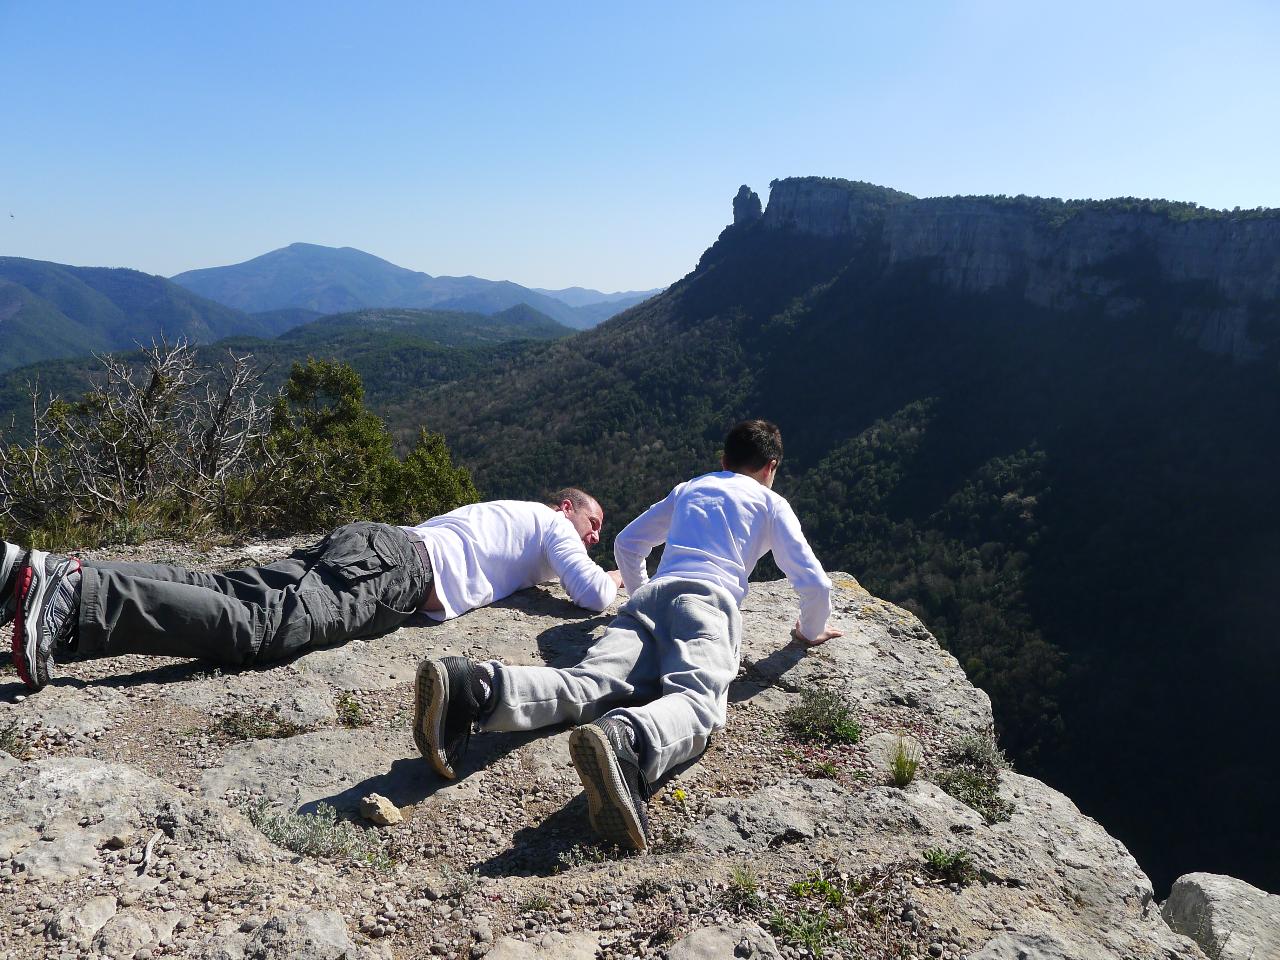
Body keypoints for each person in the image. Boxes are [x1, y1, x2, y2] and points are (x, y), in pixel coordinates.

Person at [414, 420, 841, 850]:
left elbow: (629, 543)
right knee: (699, 705)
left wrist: (641, 598)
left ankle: (477, 687)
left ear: (724, 461)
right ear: (771, 466)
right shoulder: (770, 503)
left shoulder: (690, 488)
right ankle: (629, 740)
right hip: (709, 603)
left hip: (650, 599)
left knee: (589, 681)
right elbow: (814, 584)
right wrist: (809, 631)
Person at [3, 489, 620, 692]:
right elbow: (591, 593)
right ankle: (78, 597)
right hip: (396, 569)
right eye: (592, 525)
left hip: (377, 546)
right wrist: (620, 574)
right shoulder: (550, 523)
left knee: (222, 586)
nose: (590, 538)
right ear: (568, 507)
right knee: (262, 631)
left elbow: (546, 573)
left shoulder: (512, 520)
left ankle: (41, 577)